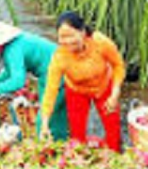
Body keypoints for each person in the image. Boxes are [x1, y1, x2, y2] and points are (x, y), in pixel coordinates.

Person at [0, 16, 69, 141]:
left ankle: (46, 150)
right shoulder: (16, 43)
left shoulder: (12, 50)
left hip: (56, 75)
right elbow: (10, 71)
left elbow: (17, 81)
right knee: (59, 119)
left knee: (45, 120)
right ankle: (63, 145)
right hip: (59, 71)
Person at [39, 11, 125, 152]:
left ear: (83, 32)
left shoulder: (100, 42)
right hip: (76, 90)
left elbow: (118, 65)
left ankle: (115, 158)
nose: (67, 41)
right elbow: (50, 90)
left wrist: (115, 92)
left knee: (113, 130)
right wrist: (44, 123)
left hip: (104, 86)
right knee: (77, 135)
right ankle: (81, 163)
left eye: (71, 35)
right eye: (62, 37)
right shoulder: (60, 57)